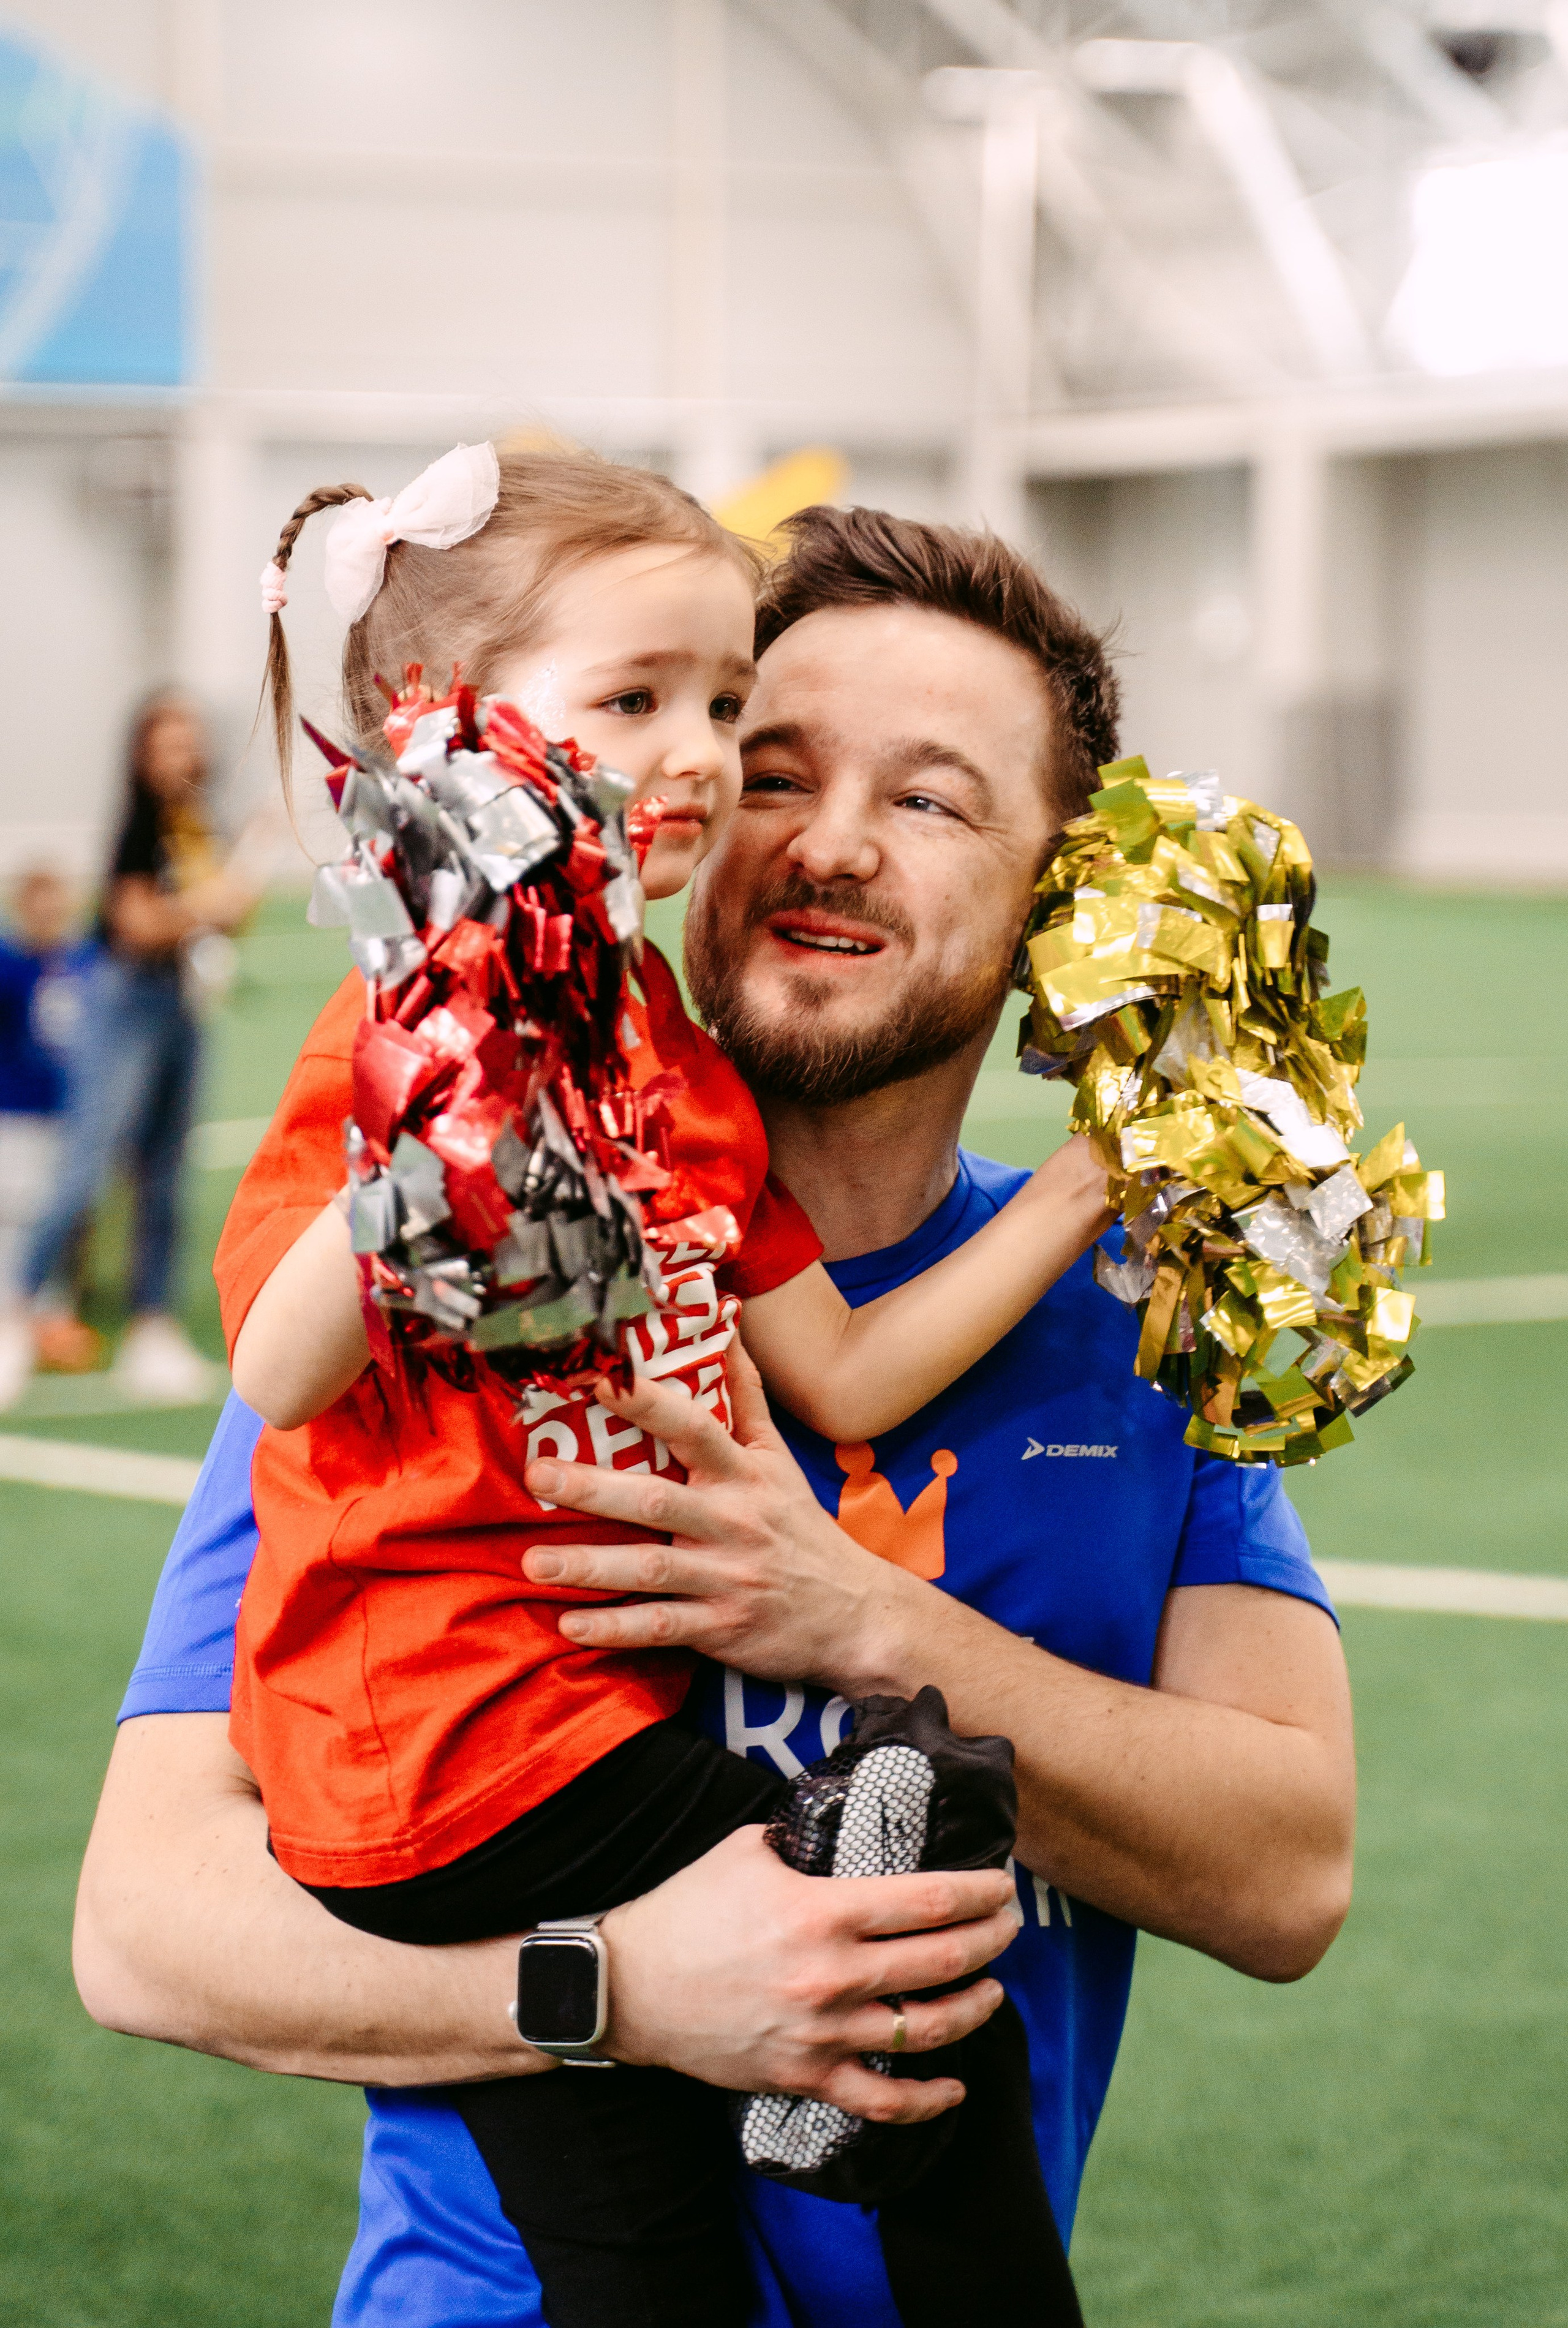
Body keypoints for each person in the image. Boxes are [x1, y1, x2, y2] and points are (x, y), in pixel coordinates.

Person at [75, 503, 1356, 2328]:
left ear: (1053, 907)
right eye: (770, 765)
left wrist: (860, 1627)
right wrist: (613, 1987)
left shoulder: (1139, 1324)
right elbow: (139, 1929)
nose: (827, 841)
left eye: (929, 800)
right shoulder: (469, 1258)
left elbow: (1288, 1873)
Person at [224, 443, 1110, 2326]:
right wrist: (451, 1095)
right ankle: (830, 2091)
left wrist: (1085, 1188)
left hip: (565, 1744)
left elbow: (848, 1372)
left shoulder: (681, 1076)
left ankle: (802, 2091)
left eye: (725, 698)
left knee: (642, 2249)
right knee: (909, 1975)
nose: (698, 750)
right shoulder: (406, 1022)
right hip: (451, 1744)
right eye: (642, 701)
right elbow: (280, 1367)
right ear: (448, 733)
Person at [19, 694, 271, 1406]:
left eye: (189, 742)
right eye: (166, 743)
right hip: (123, 1002)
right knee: (88, 1163)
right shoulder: (137, 825)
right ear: (141, 754)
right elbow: (137, 925)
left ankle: (150, 1324)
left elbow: (225, 916)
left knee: (165, 1170)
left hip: (178, 1005)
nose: (182, 756)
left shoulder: (195, 824)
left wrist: (240, 875)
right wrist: (207, 905)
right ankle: (19, 1307)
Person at [0, 867, 98, 1402]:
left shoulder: (81, 960)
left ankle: (52, 1312)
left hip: (68, 1110)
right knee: (15, 1214)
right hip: (14, 1109)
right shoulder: (8, 963)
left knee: (63, 1212)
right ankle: (15, 1311)